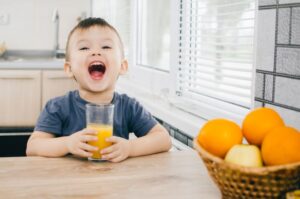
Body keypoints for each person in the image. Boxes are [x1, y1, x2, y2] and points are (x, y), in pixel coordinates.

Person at [26, 17, 172, 162]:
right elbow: (33, 147)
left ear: (123, 66)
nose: (96, 52)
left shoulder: (129, 107)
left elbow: (163, 139)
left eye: (106, 47)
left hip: (113, 181)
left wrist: (130, 148)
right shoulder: (57, 107)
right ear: (69, 69)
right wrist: (67, 144)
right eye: (84, 48)